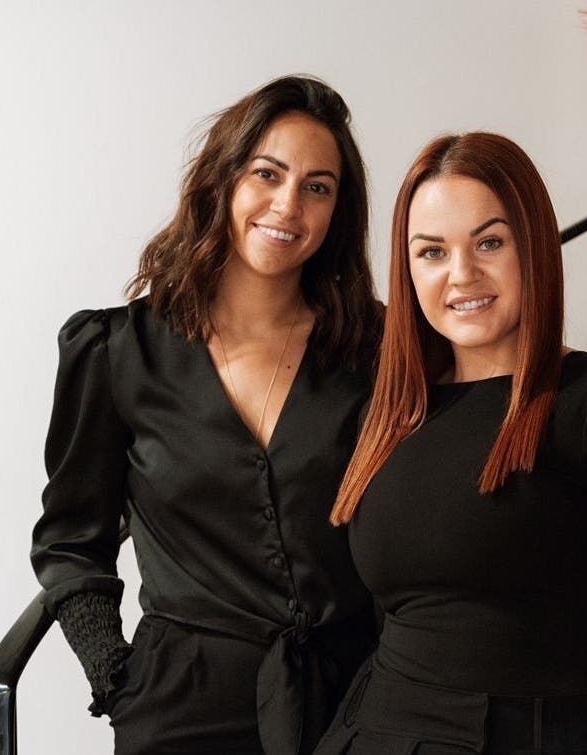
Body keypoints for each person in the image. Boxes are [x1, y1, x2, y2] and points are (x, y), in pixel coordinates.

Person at [318, 132, 587, 755]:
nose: (462, 274)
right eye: (431, 252)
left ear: (531, 246)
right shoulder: (391, 415)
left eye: (489, 242)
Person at [30, 75, 383, 755]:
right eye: (267, 173)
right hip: (178, 708)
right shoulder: (116, 351)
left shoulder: (376, 352)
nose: (289, 204)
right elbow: (72, 541)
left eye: (318, 186)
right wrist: (115, 674)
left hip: (354, 704)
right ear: (222, 179)